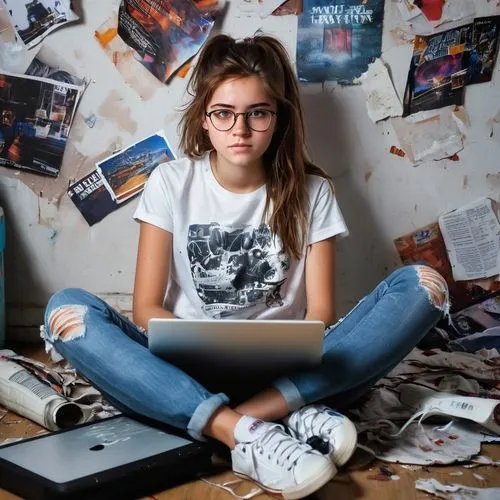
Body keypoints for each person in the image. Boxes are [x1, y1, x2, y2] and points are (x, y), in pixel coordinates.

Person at [43, 34, 449, 499]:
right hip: (181, 372)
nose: (240, 129)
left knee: (425, 286)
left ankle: (247, 416)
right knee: (66, 311)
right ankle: (255, 428)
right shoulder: (170, 182)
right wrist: (187, 347)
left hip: (286, 372)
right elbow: (146, 308)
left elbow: (319, 316)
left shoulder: (313, 193)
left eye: (258, 112)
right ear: (204, 117)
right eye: (224, 113)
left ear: (278, 118)